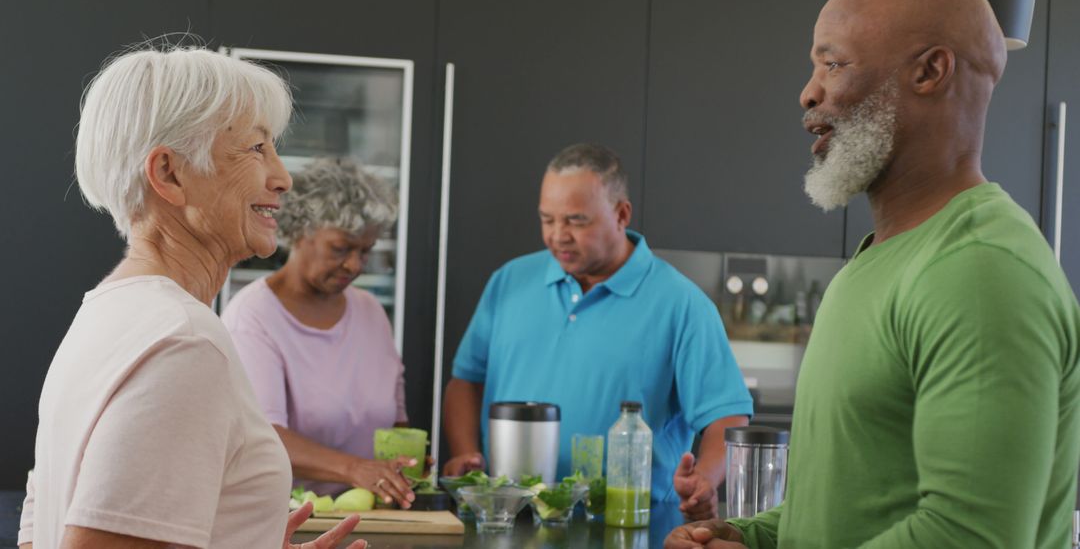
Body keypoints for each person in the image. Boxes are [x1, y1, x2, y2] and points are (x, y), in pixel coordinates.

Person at [665, 0, 1080, 547]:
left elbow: (969, 536)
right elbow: (847, 499)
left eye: (832, 64)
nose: (808, 94)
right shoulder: (878, 259)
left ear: (930, 72)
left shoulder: (980, 269)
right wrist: (751, 536)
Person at [18, 45, 364, 549]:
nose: (283, 178)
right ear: (169, 174)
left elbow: (39, 532)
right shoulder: (183, 342)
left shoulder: (104, 315)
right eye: (256, 149)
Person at [443, 143, 753, 519]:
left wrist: (704, 479)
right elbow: (466, 381)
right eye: (547, 219)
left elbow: (727, 416)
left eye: (576, 221)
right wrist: (464, 453)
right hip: (508, 519)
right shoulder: (509, 281)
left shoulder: (681, 304)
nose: (558, 236)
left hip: (629, 525)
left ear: (621, 214)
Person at [222, 157, 418, 509]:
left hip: (369, 516)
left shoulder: (371, 312)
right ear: (299, 232)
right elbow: (263, 438)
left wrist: (403, 465)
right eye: (341, 248)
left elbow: (397, 421)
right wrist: (357, 470)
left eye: (366, 251)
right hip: (284, 519)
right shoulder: (252, 317)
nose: (355, 265)